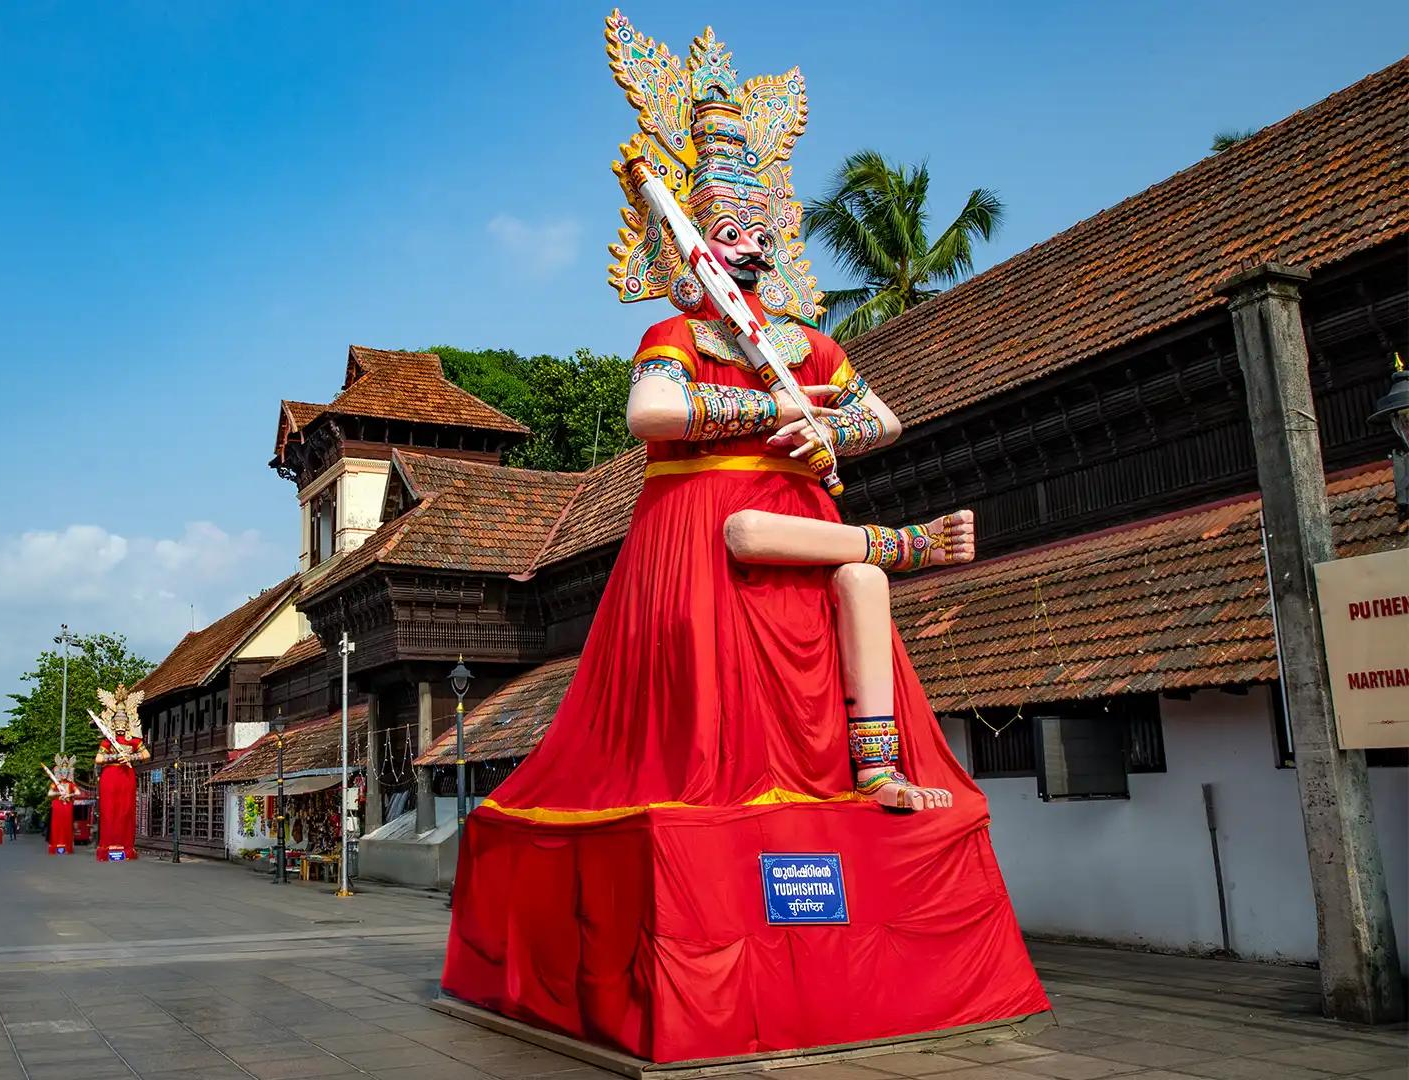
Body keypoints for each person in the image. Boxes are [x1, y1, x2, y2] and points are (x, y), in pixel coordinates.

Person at [439, 16, 1047, 1062]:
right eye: (730, 226)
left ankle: (876, 767)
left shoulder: (805, 341)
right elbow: (652, 421)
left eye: (763, 226)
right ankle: (898, 543)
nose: (752, 243)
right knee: (753, 528)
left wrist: (827, 420)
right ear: (695, 240)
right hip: (706, 514)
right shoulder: (675, 334)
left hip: (806, 517)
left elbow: (881, 419)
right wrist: (767, 416)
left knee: (860, 586)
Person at [91, 685, 150, 860]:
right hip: (110, 776)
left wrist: (131, 758)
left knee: (126, 810)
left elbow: (146, 754)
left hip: (126, 776)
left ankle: (126, 845)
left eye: (123, 723)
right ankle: (108, 844)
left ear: (128, 723)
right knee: (109, 810)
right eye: (117, 723)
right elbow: (99, 759)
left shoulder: (134, 740)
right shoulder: (108, 741)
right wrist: (116, 757)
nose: (120, 726)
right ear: (112, 723)